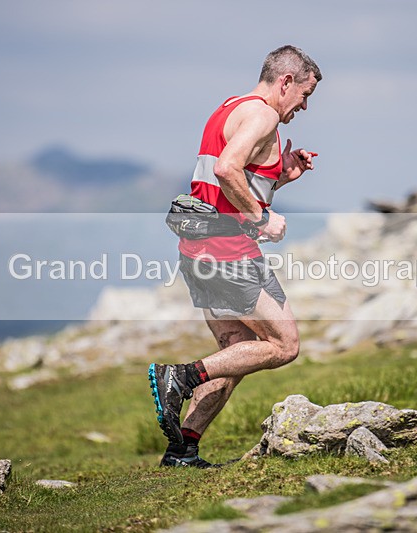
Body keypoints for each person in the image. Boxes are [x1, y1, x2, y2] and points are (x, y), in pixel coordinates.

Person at [149, 45, 322, 468]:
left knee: (237, 347)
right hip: (228, 250)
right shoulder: (262, 115)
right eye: (305, 96)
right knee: (284, 345)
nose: (303, 107)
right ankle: (182, 377)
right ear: (285, 82)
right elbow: (228, 169)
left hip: (198, 247)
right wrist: (262, 217)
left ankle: (183, 449)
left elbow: (230, 177)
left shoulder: (231, 107)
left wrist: (279, 177)